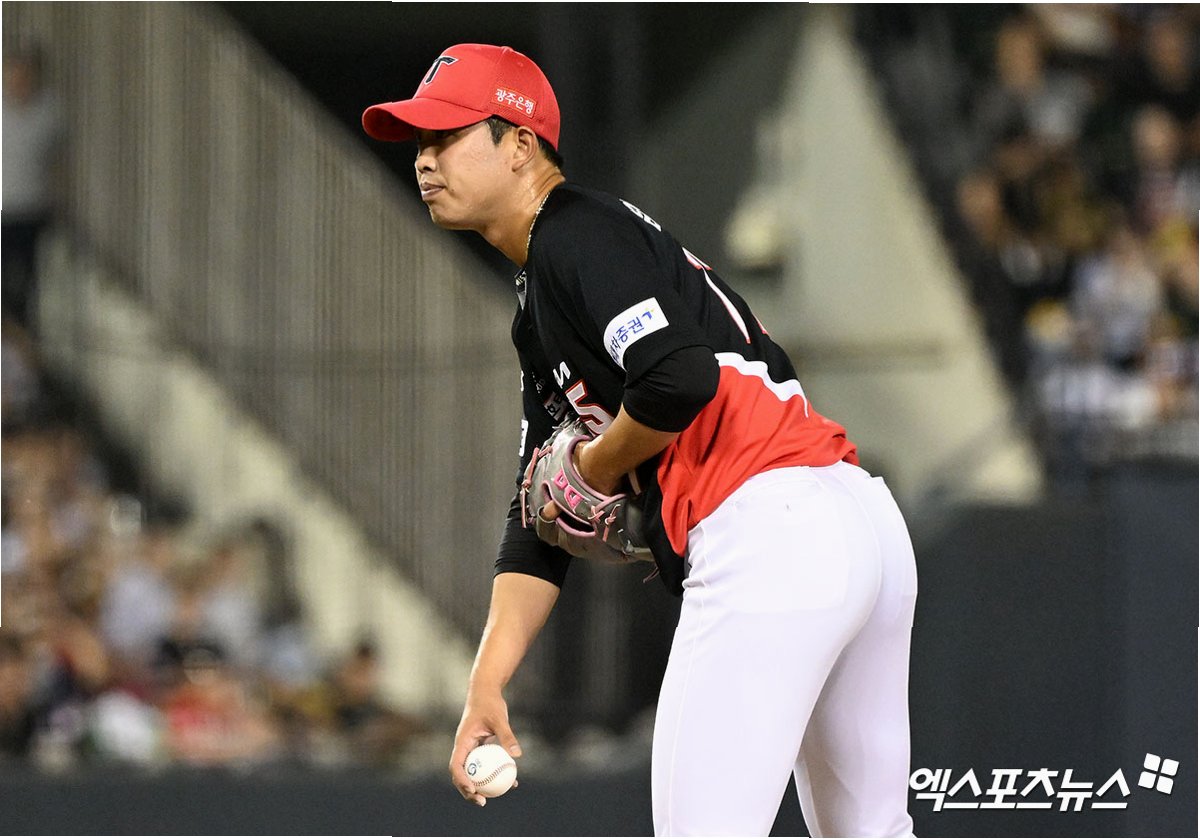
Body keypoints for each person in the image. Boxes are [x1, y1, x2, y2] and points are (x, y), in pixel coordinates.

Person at [363, 44, 918, 837]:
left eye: (445, 136)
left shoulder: (574, 233)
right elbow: (537, 510)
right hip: (858, 525)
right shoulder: (547, 293)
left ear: (520, 144)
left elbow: (678, 378)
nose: (424, 160)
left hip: (770, 529)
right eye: (419, 142)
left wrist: (594, 464)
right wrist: (488, 680)